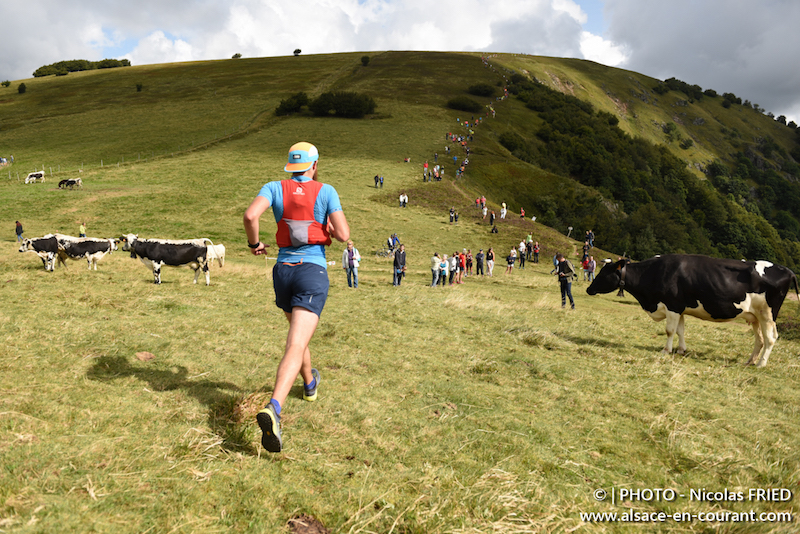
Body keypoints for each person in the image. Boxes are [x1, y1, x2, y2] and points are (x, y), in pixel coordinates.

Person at [243, 141, 350, 453]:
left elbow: (251, 216)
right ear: (315, 165)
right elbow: (343, 234)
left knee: (297, 338)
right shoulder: (326, 191)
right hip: (311, 272)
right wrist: (328, 227)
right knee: (295, 342)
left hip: (283, 273)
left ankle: (310, 384)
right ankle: (274, 408)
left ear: (290, 166)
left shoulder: (274, 187)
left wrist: (255, 244)